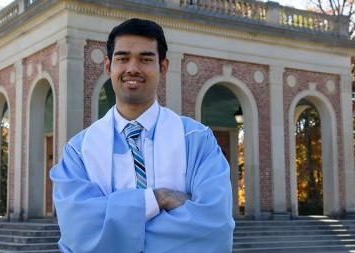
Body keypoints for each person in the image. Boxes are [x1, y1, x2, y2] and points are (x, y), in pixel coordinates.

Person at [50, 18, 234, 253]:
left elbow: (215, 229)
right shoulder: (78, 151)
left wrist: (114, 226)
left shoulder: (197, 140)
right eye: (123, 58)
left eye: (146, 59)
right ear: (108, 66)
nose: (133, 68)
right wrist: (158, 199)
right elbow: (77, 233)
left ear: (163, 67)